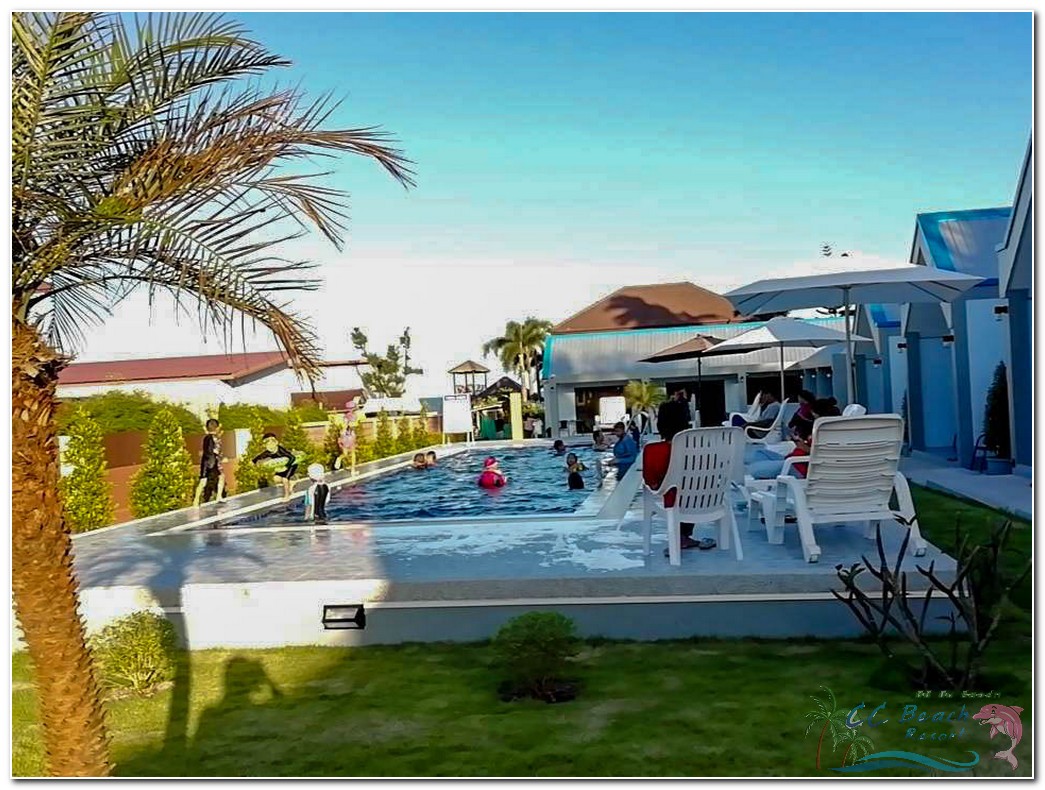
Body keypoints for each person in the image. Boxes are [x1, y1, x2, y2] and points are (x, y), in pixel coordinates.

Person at [748, 398, 842, 479]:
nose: (813, 419)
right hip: (792, 459)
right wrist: (803, 443)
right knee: (759, 453)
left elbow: (827, 454)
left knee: (754, 469)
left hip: (798, 466)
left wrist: (806, 448)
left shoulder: (828, 433)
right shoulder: (824, 431)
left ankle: (770, 474)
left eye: (814, 416)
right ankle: (770, 472)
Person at [252, 433, 298, 501]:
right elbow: (259, 457)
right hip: (281, 467)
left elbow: (292, 458)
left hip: (291, 465)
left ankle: (287, 496)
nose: (270, 446)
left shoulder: (281, 450)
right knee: (276, 479)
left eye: (272, 443)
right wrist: (253, 461)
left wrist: (286, 466)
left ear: (276, 443)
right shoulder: (268, 452)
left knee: (285, 479)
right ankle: (291, 482)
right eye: (268, 444)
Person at [193, 418, 226, 506]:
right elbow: (215, 451)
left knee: (203, 481)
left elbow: (207, 451)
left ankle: (196, 501)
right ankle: (219, 496)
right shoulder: (215, 438)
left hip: (205, 462)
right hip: (213, 462)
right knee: (221, 477)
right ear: (217, 428)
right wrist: (220, 458)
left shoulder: (206, 438)